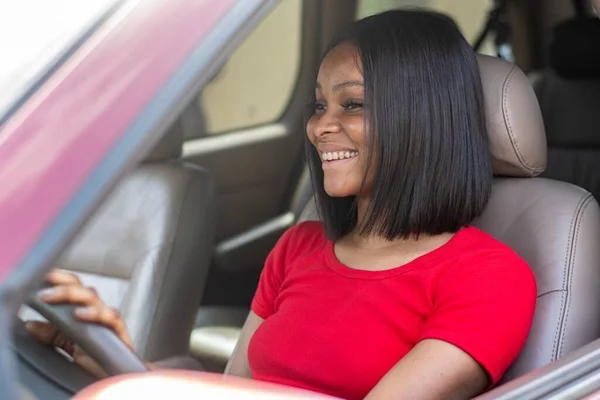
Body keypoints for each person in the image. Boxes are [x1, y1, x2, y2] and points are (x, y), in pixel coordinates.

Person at [25, 10, 537, 400]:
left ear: (421, 118)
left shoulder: (489, 277)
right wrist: (107, 356)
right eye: (319, 105)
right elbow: (239, 388)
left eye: (352, 104)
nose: (319, 127)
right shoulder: (299, 247)